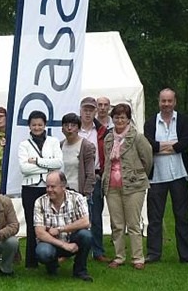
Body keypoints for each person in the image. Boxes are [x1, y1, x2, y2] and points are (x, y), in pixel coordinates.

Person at [144, 89, 188, 264]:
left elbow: (185, 143)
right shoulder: (151, 123)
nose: (166, 104)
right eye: (163, 101)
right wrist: (170, 145)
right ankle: (153, 254)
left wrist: (164, 147)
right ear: (158, 102)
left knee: (182, 216)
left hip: (179, 176)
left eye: (169, 101)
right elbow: (150, 146)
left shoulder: (184, 120)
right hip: (157, 177)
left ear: (175, 102)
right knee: (154, 218)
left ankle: (186, 254)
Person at [102, 103, 153, 270]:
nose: (119, 120)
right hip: (112, 186)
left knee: (133, 223)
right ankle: (119, 256)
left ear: (128, 119)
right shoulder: (108, 138)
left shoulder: (137, 137)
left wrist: (136, 174)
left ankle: (138, 258)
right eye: (116, 117)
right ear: (112, 119)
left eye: (123, 117)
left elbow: (147, 159)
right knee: (117, 224)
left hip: (134, 186)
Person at [18, 110, 63, 268]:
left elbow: (58, 163)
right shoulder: (24, 144)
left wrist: (36, 161)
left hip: (49, 188)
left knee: (51, 222)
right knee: (32, 223)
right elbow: (24, 168)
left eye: (40, 124)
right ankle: (31, 261)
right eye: (34, 125)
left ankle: (52, 258)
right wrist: (47, 166)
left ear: (45, 125)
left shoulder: (53, 141)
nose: (37, 127)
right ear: (29, 126)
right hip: (30, 188)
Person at [34, 171, 93, 282]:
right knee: (43, 252)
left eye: (53, 187)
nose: (49, 190)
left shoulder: (77, 198)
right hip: (52, 243)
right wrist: (64, 245)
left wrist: (60, 229)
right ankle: (52, 266)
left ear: (63, 186)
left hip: (73, 240)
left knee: (86, 235)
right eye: (47, 186)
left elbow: (85, 222)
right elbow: (39, 232)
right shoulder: (39, 202)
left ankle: (80, 271)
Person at [79, 97, 110, 262]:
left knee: (96, 215)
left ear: (95, 112)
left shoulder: (102, 132)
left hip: (96, 176)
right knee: (75, 215)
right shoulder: (73, 129)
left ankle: (98, 251)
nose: (88, 113)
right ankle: (73, 249)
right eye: (85, 110)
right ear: (80, 111)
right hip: (76, 177)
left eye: (91, 110)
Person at [60, 113, 96, 198]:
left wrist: (85, 194)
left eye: (73, 125)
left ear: (78, 129)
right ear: (62, 129)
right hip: (62, 193)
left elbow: (90, 174)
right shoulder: (59, 146)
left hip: (79, 194)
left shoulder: (86, 146)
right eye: (66, 125)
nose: (69, 128)